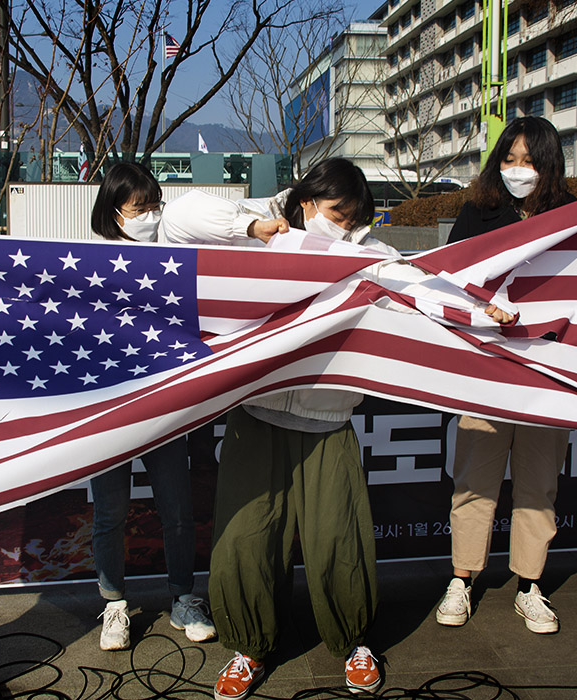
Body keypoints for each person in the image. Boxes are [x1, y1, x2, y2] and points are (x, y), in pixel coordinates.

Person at [159, 158, 392, 700]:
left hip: (328, 421)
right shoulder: (264, 231)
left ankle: (354, 642)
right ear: (308, 202)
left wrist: (489, 306)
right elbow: (180, 216)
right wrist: (252, 225)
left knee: (338, 537)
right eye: (337, 212)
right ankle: (250, 648)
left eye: (356, 216)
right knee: (246, 540)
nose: (345, 224)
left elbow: (425, 286)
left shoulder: (370, 255)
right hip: (256, 416)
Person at [438, 117, 575, 635]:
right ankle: (462, 580)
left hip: (546, 371)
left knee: (539, 484)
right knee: (475, 480)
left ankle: (530, 585)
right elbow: (450, 280)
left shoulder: (572, 213)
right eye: (510, 159)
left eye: (530, 161)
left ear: (550, 165)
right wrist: (484, 310)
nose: (518, 171)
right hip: (486, 369)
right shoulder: (480, 210)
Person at [86, 162, 216, 651]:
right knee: (109, 514)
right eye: (140, 208)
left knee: (177, 510)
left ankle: (183, 597)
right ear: (113, 210)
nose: (150, 215)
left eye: (154, 205)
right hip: (109, 409)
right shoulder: (84, 259)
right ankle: (114, 604)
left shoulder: (170, 255)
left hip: (162, 406)